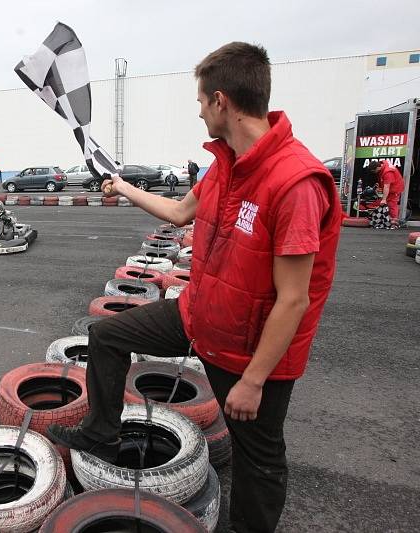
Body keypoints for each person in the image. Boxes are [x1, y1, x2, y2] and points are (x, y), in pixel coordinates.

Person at [47, 42, 342, 533]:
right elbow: (180, 212)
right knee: (107, 336)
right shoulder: (224, 164)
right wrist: (120, 186)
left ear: (222, 101)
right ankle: (102, 433)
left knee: (258, 459)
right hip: (200, 315)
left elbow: (295, 298)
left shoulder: (294, 182)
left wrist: (253, 381)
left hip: (250, 354)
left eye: (202, 101)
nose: (199, 111)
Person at [368, 160, 405, 229]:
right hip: (391, 188)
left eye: (374, 171)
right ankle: (388, 220)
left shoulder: (388, 172)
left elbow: (387, 186)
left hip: (395, 189)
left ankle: (395, 222)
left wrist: (384, 199)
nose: (374, 173)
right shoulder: (383, 163)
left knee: (392, 204)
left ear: (378, 168)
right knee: (382, 203)